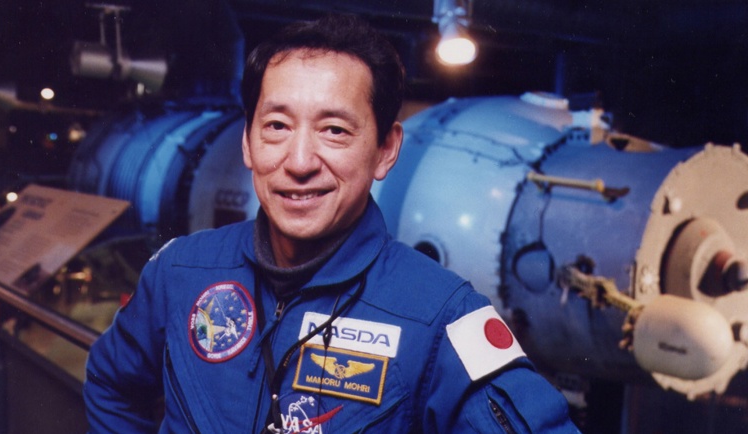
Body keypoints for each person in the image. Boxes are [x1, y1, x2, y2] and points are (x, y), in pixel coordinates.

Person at [84, 14, 580, 433]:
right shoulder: (181, 272)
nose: (299, 161)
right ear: (248, 142)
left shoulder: (439, 319)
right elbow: (110, 384)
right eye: (277, 126)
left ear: (385, 150)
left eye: (335, 130)